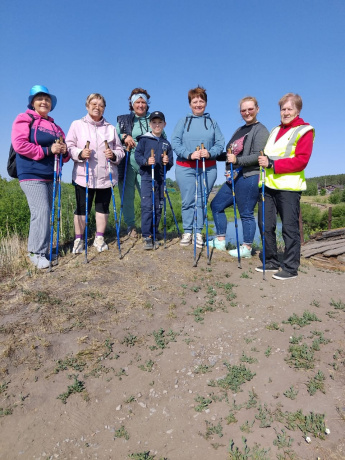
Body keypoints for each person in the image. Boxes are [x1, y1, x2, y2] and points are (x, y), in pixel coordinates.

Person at [257, 93, 314, 280]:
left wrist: (273, 164)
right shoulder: (274, 130)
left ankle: (290, 268)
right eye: (283, 109)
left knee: (289, 228)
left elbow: (301, 161)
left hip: (288, 188)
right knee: (266, 225)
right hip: (267, 185)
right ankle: (271, 261)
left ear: (297, 110)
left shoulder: (305, 130)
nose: (285, 112)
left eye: (289, 109)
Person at [11, 85, 69, 269]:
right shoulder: (24, 118)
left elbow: (64, 154)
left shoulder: (56, 127)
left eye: (47, 99)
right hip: (30, 172)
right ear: (32, 102)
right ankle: (35, 252)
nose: (44, 102)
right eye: (39, 99)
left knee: (48, 212)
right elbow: (20, 145)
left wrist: (64, 151)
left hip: (51, 174)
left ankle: (43, 250)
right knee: (41, 211)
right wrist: (48, 150)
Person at [211, 96, 269, 257]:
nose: (247, 112)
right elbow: (231, 153)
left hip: (250, 176)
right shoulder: (239, 130)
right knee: (216, 205)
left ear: (257, 109)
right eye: (243, 110)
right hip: (234, 176)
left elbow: (258, 155)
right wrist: (212, 155)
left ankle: (247, 248)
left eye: (250, 109)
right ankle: (221, 240)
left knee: (245, 212)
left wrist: (237, 160)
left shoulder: (260, 130)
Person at [66, 93, 124, 253]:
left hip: (106, 176)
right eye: (94, 104)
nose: (97, 107)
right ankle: (78, 240)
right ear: (87, 106)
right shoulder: (77, 124)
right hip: (83, 176)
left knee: (102, 207)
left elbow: (120, 150)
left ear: (104, 108)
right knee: (81, 208)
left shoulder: (110, 128)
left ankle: (99, 238)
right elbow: (68, 146)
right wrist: (79, 153)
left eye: (101, 105)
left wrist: (113, 155)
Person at [171, 86, 224, 248]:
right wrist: (188, 154)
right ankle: (187, 231)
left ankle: (198, 232)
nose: (198, 104)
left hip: (207, 168)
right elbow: (175, 142)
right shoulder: (183, 121)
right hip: (185, 167)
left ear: (206, 103)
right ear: (190, 104)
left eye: (201, 101)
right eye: (195, 101)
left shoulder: (212, 122)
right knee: (188, 200)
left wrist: (209, 153)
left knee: (201, 200)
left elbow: (220, 143)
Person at [116, 88, 157, 238]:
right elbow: (114, 135)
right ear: (132, 104)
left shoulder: (153, 119)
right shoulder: (123, 120)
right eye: (137, 102)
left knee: (148, 196)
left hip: (146, 164)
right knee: (127, 196)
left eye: (143, 102)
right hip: (127, 162)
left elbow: (163, 137)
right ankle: (131, 226)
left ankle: (150, 226)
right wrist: (124, 136)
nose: (140, 105)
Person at [135, 111, 173, 250]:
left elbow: (170, 164)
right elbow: (137, 155)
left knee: (158, 207)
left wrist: (166, 162)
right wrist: (146, 161)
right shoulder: (144, 139)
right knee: (147, 206)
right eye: (154, 122)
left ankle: (155, 233)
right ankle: (146, 236)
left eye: (160, 122)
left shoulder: (166, 143)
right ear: (150, 124)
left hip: (160, 179)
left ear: (164, 124)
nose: (157, 125)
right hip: (147, 178)